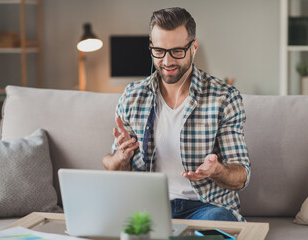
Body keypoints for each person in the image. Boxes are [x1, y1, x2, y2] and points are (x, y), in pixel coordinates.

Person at [103, 7, 250, 222]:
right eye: (159, 51)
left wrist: (216, 170)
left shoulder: (224, 97)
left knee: (218, 219)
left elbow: (241, 176)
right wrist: (122, 157)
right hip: (149, 206)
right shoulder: (133, 96)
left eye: (177, 51)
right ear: (151, 47)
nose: (167, 61)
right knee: (105, 219)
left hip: (206, 207)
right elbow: (112, 164)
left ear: (194, 47)